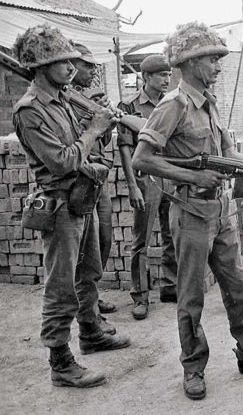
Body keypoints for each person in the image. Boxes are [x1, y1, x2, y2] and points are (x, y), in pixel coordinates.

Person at [132, 22, 243, 400]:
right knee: (191, 297)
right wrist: (194, 175)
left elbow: (229, 154)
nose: (218, 67)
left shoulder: (209, 103)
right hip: (190, 212)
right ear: (191, 63)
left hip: (220, 212)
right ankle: (193, 367)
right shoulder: (172, 105)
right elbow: (142, 159)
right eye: (211, 60)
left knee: (240, 287)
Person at [12, 25, 130, 388]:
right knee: (61, 285)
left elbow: (76, 148)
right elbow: (61, 162)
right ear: (40, 65)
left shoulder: (63, 99)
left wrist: (94, 144)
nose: (70, 67)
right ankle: (60, 362)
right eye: (62, 61)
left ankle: (91, 332)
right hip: (60, 206)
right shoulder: (29, 111)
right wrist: (93, 131)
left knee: (89, 271)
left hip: (81, 197)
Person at [117, 54, 177, 320]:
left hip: (170, 176)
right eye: (162, 75)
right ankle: (140, 296)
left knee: (171, 234)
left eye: (169, 75)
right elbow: (125, 148)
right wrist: (132, 186)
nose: (167, 79)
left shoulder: (171, 103)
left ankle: (170, 287)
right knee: (141, 240)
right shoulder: (129, 106)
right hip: (145, 179)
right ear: (146, 77)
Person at [69, 42, 118, 333]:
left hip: (99, 178)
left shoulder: (88, 97)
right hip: (82, 179)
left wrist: (105, 119)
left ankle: (93, 299)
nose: (93, 71)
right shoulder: (66, 101)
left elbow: (104, 140)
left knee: (103, 239)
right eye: (86, 66)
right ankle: (88, 311)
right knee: (85, 251)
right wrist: (89, 117)